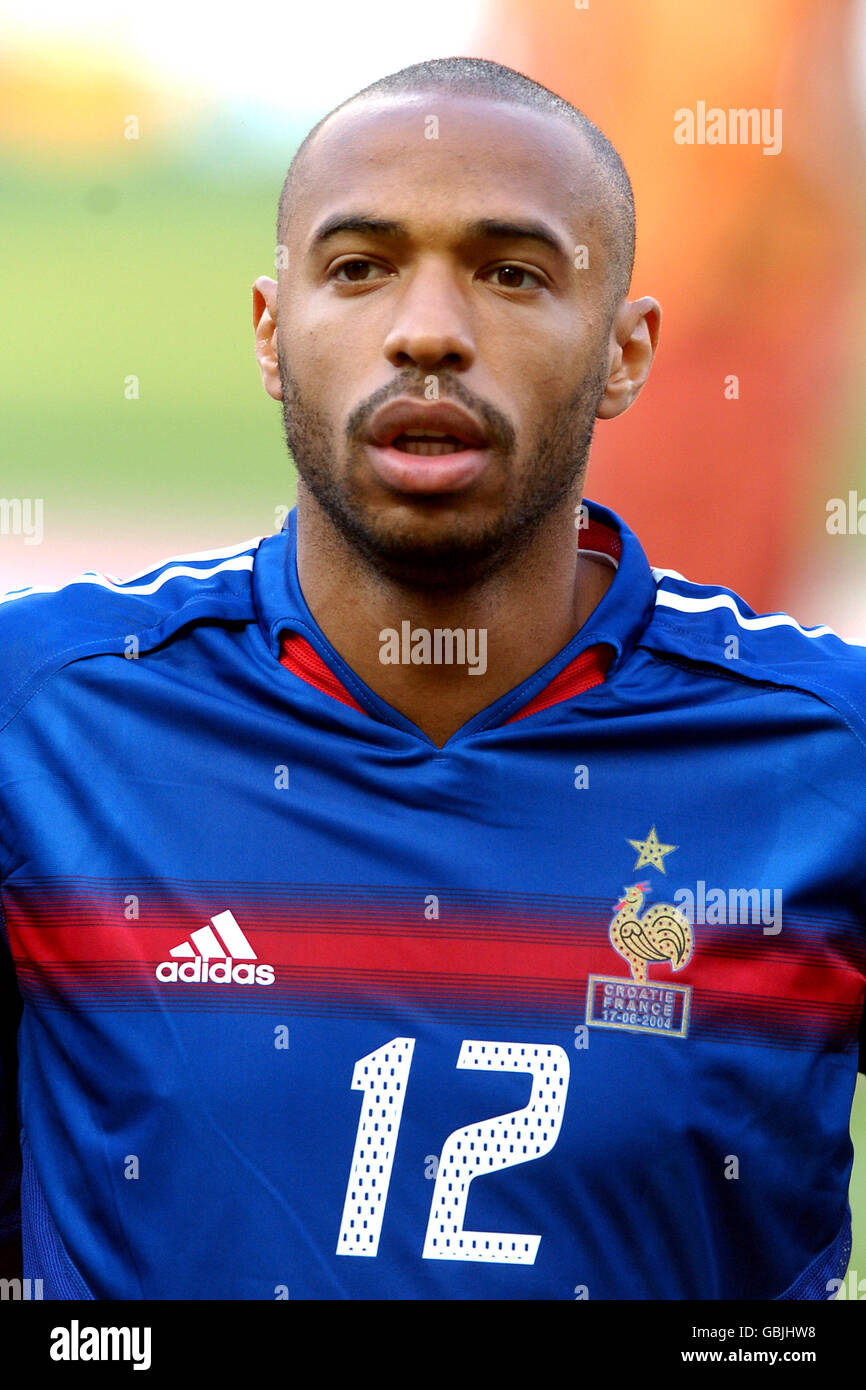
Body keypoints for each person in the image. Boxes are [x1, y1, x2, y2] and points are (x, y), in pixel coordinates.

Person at [0, 55, 864, 1301]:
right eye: (359, 267)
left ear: (624, 354)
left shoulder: (821, 760)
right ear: (269, 332)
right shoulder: (47, 725)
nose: (428, 332)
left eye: (511, 274)